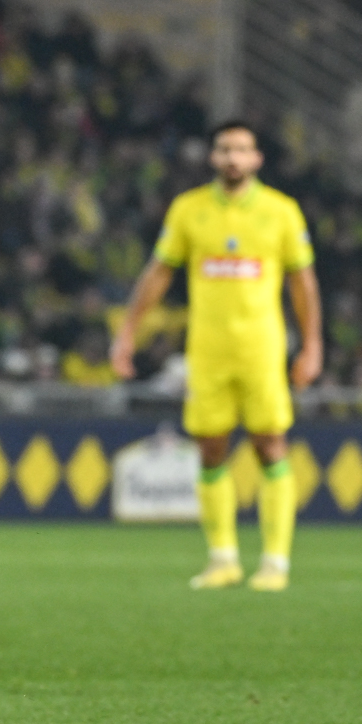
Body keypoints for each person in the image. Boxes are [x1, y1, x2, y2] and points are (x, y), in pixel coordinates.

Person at [111, 121, 322, 592]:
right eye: (225, 149)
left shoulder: (281, 212)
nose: (233, 157)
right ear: (212, 156)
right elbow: (159, 274)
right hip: (206, 352)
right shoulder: (189, 210)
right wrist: (128, 333)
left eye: (242, 149)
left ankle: (275, 561)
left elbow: (302, 282)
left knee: (271, 445)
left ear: (257, 159)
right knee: (210, 449)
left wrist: (312, 346)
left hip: (262, 351)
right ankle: (223, 557)